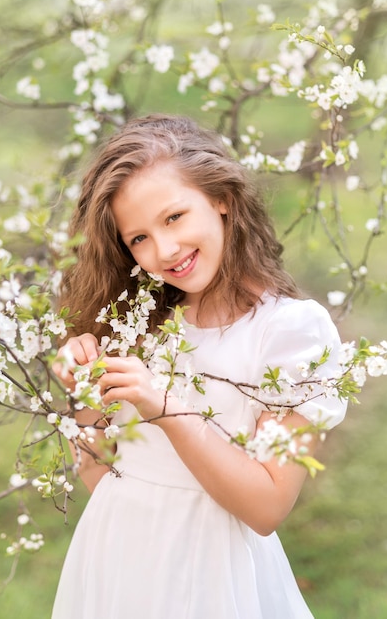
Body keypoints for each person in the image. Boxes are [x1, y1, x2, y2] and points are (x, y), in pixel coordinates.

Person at [51, 113, 347, 619]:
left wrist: (164, 407)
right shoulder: (137, 320)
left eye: (174, 217)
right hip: (115, 559)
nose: (164, 250)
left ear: (222, 198)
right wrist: (82, 393)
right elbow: (102, 476)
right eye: (138, 238)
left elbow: (266, 508)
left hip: (213, 574)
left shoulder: (290, 333)